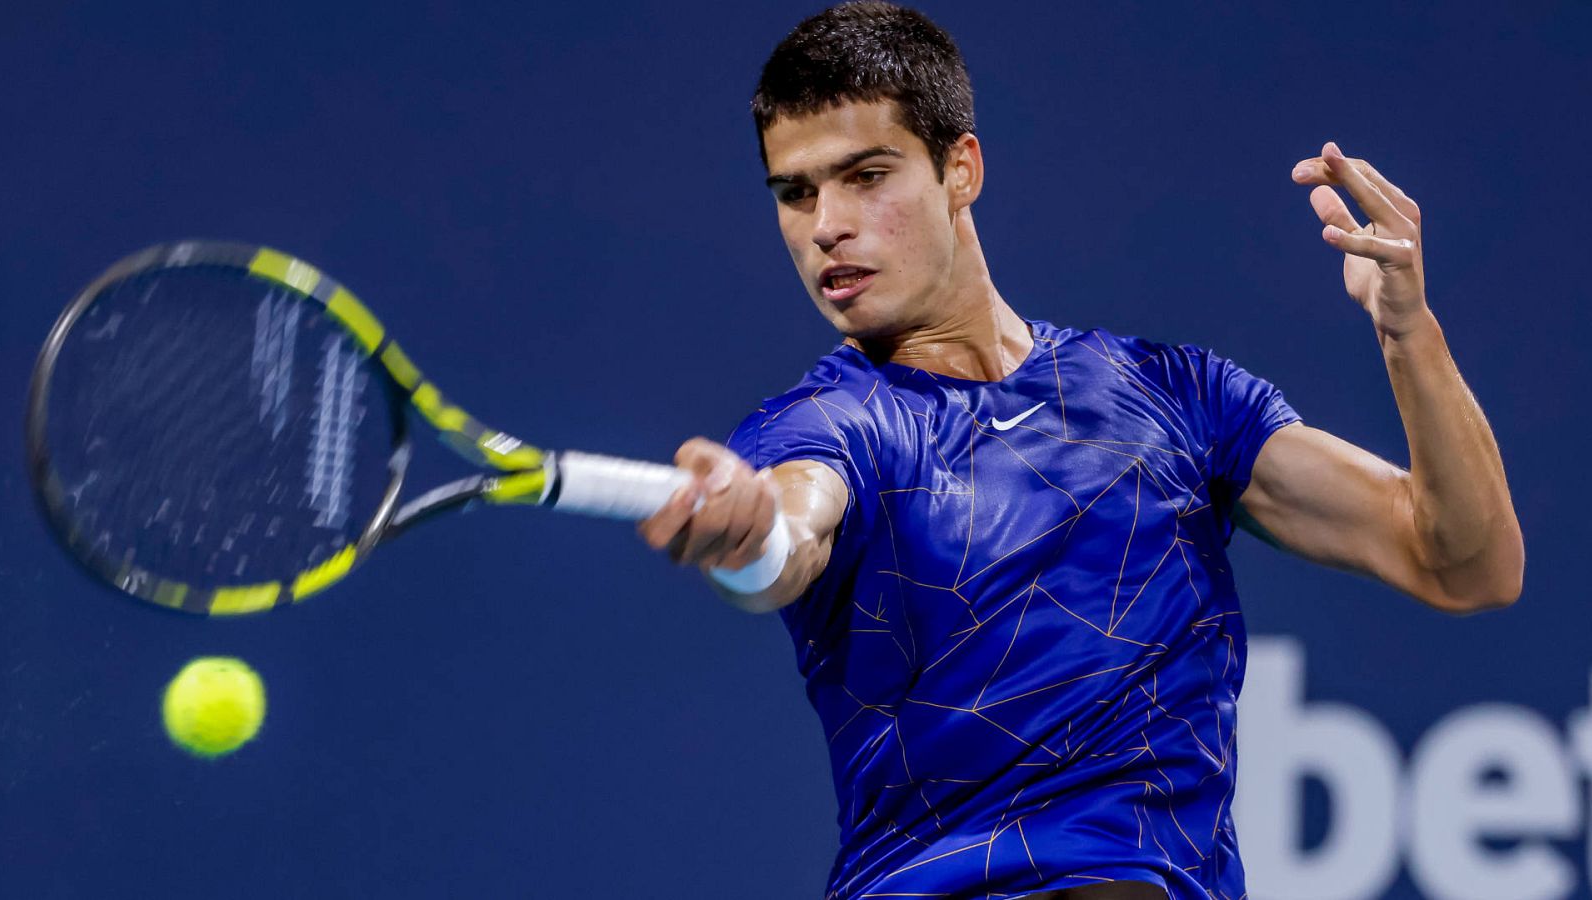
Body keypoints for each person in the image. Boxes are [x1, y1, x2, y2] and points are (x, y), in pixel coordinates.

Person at [637, 3, 1525, 898]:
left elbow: (1464, 564)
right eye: (795, 193)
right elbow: (792, 525)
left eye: (866, 176)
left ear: (960, 169)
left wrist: (1407, 331)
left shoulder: (1176, 396)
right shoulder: (826, 423)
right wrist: (752, 538)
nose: (827, 224)